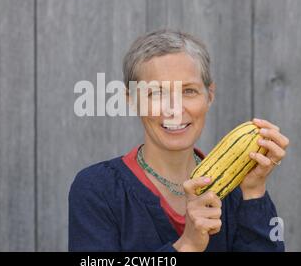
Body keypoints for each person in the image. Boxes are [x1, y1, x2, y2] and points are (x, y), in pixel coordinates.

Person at [69, 29, 289, 251]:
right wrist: (188, 245)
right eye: (156, 93)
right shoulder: (98, 188)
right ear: (132, 101)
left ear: (209, 95)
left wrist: (253, 192)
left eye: (189, 91)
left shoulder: (238, 190)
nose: (174, 109)